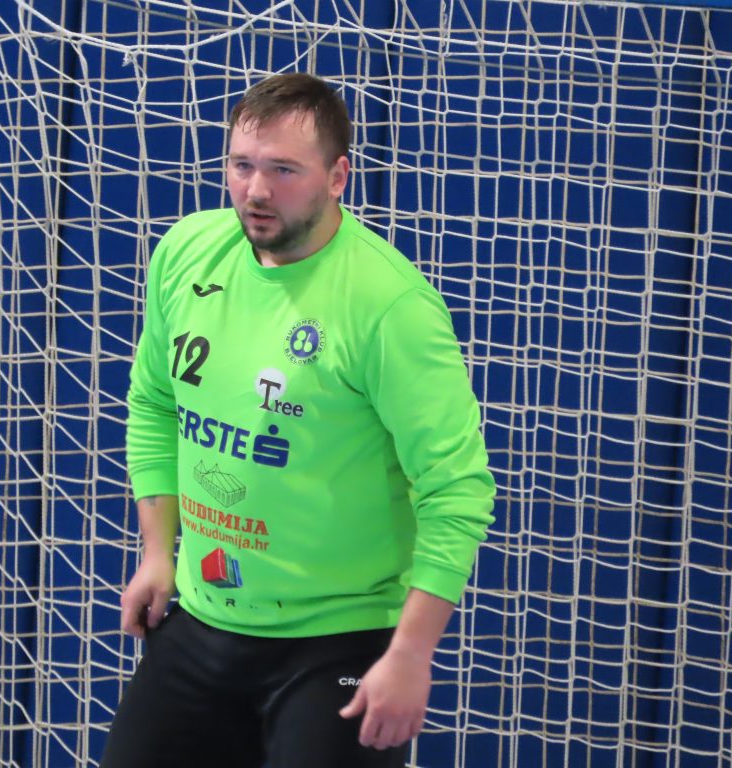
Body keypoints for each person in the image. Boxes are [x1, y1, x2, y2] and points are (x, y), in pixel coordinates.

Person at [100, 72, 496, 768]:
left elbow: (457, 490)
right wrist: (158, 553)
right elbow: (155, 402)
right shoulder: (187, 253)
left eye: (284, 170)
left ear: (337, 177)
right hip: (202, 617)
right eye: (241, 165)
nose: (256, 190)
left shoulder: (389, 308)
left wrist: (410, 653)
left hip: (336, 646)